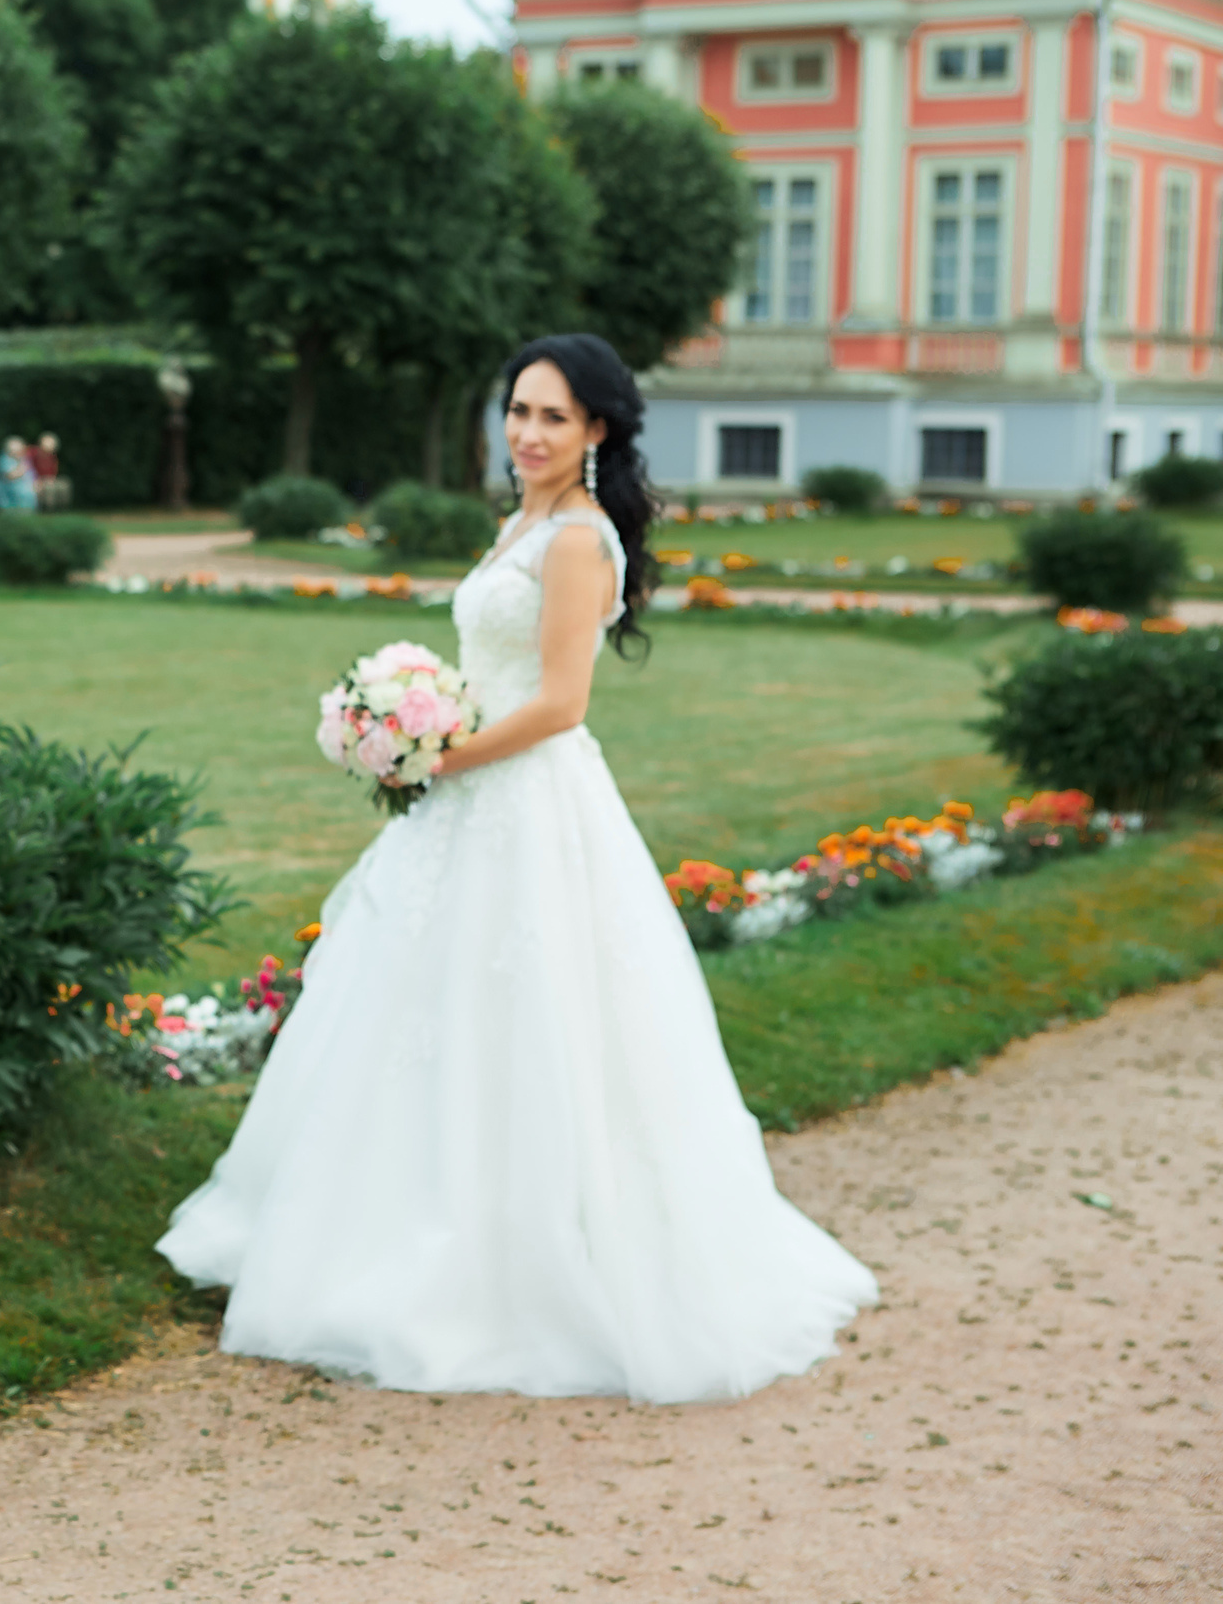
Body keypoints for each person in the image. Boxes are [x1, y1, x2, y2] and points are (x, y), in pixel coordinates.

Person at [156, 333, 875, 1405]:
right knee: (410, 1011)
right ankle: (372, 1228)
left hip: (526, 803)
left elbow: (559, 704)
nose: (528, 432)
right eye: (518, 410)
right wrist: (411, 719)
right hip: (459, 803)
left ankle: (511, 1266)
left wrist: (434, 752)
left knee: (531, 1017)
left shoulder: (579, 537)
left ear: (595, 430)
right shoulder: (522, 521)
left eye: (553, 416)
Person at [0, 435, 36, 512]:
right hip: (6, 487)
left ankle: (27, 516)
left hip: (23, 486)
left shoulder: (23, 459)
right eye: (16, 451)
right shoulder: (3, 459)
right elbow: (10, 476)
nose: (19, 453)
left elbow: (31, 474)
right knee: (25, 492)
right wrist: (21, 470)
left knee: (29, 492)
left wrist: (34, 483)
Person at [29, 431, 69, 510]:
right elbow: (28, 467)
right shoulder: (32, 453)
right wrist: (36, 481)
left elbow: (53, 471)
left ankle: (63, 508)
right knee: (49, 488)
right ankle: (48, 511)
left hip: (48, 479)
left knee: (65, 484)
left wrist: (51, 479)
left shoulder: (53, 457)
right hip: (35, 480)